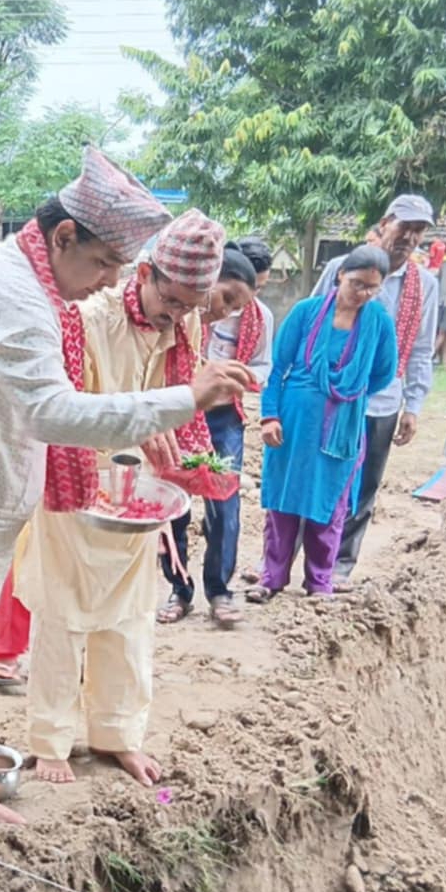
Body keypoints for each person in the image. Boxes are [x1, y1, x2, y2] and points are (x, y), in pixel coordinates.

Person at [0, 147, 253, 890]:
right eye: (101, 266)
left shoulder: (37, 286)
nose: (105, 285)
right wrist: (187, 400)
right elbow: (51, 412)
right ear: (63, 239)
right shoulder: (11, 295)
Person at [12, 212, 231, 786]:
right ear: (148, 273)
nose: (177, 316)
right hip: (77, 482)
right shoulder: (88, 317)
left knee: (131, 620)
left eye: (189, 306)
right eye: (172, 300)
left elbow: (178, 394)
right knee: (63, 616)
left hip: (139, 496)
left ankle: (117, 735)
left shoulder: (184, 327)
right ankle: (51, 740)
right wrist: (139, 419)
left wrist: (187, 452)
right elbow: (61, 406)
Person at [252, 247, 398, 599]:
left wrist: (346, 394)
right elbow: (277, 367)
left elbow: (383, 373)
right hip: (293, 422)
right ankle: (271, 579)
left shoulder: (378, 322)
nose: (362, 293)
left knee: (329, 506)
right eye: (356, 283)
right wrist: (269, 415)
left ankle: (319, 582)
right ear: (339, 276)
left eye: (371, 288)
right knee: (284, 502)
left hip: (342, 429)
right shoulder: (306, 312)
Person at [311, 194, 439, 590]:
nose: (410, 238)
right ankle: (291, 560)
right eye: (405, 228)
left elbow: (420, 348)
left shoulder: (425, 285)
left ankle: (340, 566)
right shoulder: (340, 268)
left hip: (381, 401)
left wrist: (413, 406)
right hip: (329, 393)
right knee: (315, 475)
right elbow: (313, 321)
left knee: (363, 486)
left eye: (418, 232)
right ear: (385, 224)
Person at [157, 239, 268, 627]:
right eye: (227, 297)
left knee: (225, 507)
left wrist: (239, 379)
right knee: (173, 503)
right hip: (179, 415)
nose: (229, 310)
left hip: (224, 420)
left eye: (239, 305)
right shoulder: (177, 316)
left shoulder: (260, 319)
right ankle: (179, 589)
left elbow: (264, 365)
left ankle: (219, 590)